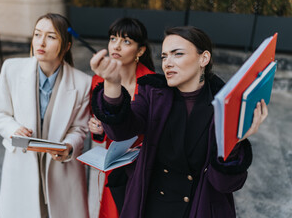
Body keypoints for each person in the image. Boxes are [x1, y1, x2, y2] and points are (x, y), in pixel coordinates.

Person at [90, 26, 268, 218]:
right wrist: (112, 84)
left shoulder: (225, 105)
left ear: (203, 58)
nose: (167, 63)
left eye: (177, 54)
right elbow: (121, 131)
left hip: (198, 209)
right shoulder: (152, 92)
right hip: (151, 207)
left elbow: (225, 184)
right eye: (164, 56)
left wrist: (237, 139)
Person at [0, 13, 91, 218]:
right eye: (37, 34)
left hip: (62, 173)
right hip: (21, 168)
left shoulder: (83, 83)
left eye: (51, 37)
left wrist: (68, 147)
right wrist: (13, 130)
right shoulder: (12, 69)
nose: (40, 42)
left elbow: (79, 128)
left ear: (67, 45)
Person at [88, 17, 155, 218]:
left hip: (144, 163)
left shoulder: (150, 83)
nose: (116, 46)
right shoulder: (99, 80)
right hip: (115, 160)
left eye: (126, 41)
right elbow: (98, 126)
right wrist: (98, 130)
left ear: (140, 51)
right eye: (113, 39)